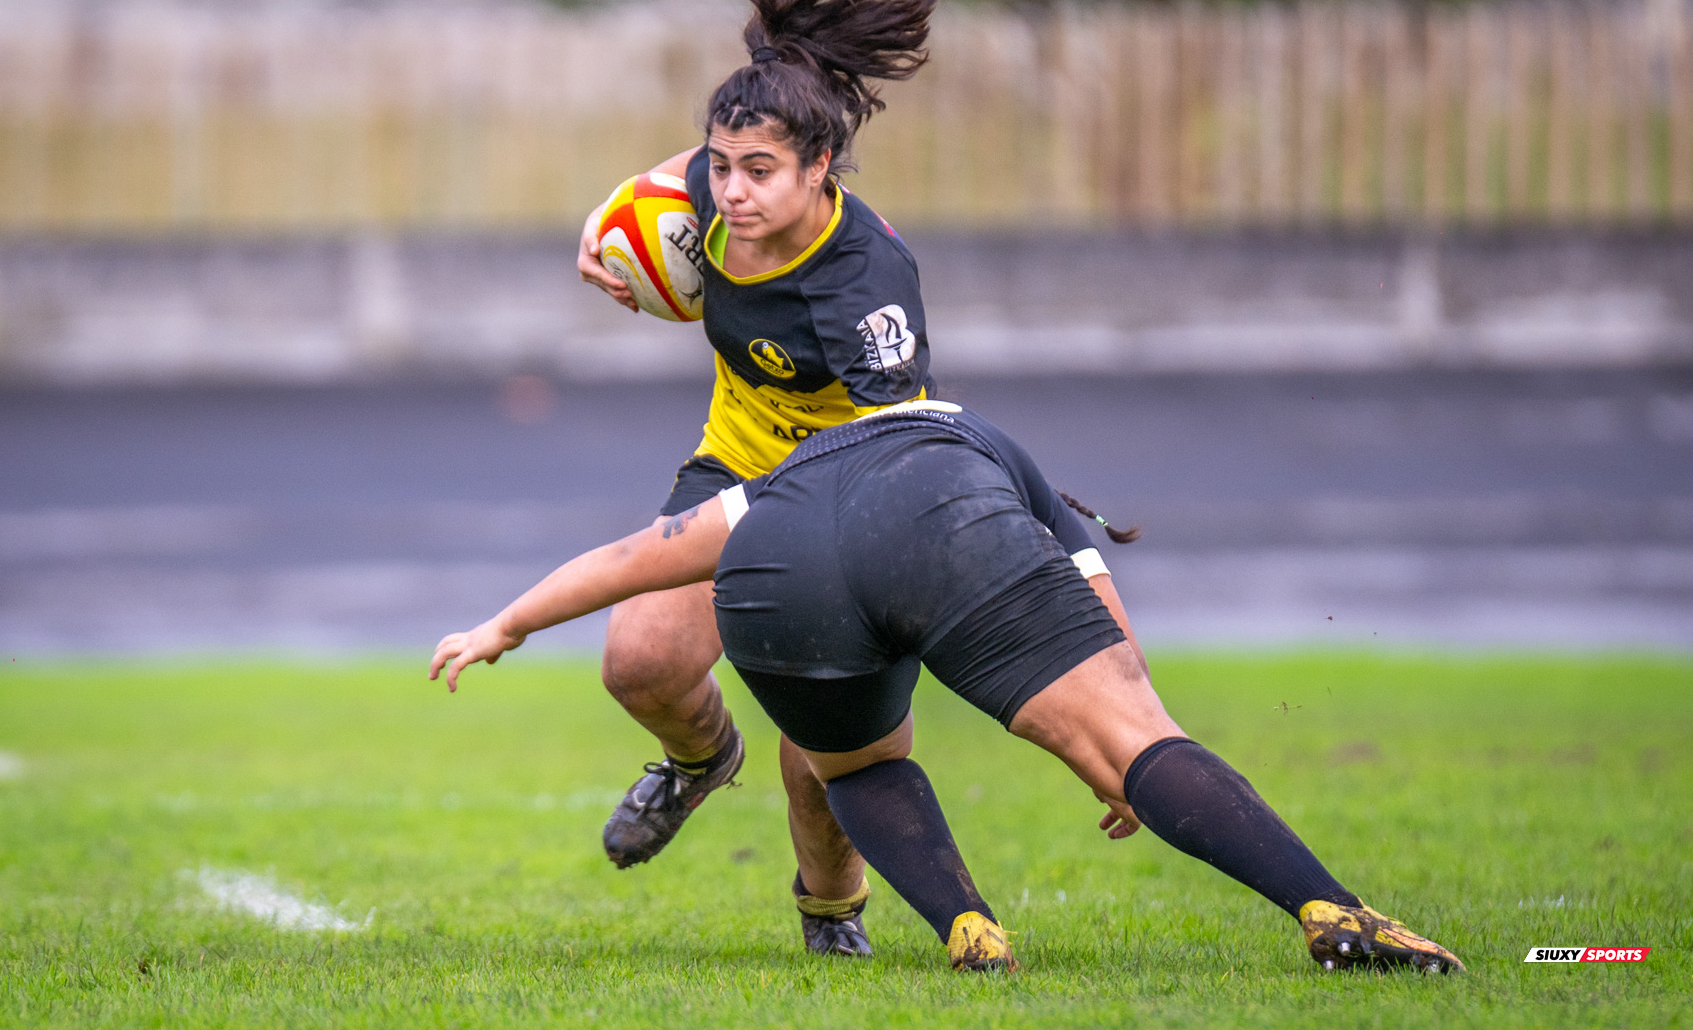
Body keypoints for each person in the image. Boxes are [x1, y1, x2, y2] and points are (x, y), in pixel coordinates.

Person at [430, 400, 1465, 976]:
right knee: (1127, 734)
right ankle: (1330, 908)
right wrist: (1125, 758)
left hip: (779, 570)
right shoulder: (984, 442)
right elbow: (1097, 601)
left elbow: (627, 557)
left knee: (859, 759)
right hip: (942, 526)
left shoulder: (775, 480)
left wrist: (504, 625)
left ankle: (969, 928)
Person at [570, 0, 939, 951]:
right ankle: (697, 762)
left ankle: (831, 914)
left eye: (755, 171)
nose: (727, 192)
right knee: (638, 660)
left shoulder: (867, 288)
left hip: (844, 490)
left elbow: (903, 447)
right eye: (719, 166)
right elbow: (631, 213)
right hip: (736, 464)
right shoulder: (716, 180)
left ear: (820, 168)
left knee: (818, 751)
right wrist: (601, 251)